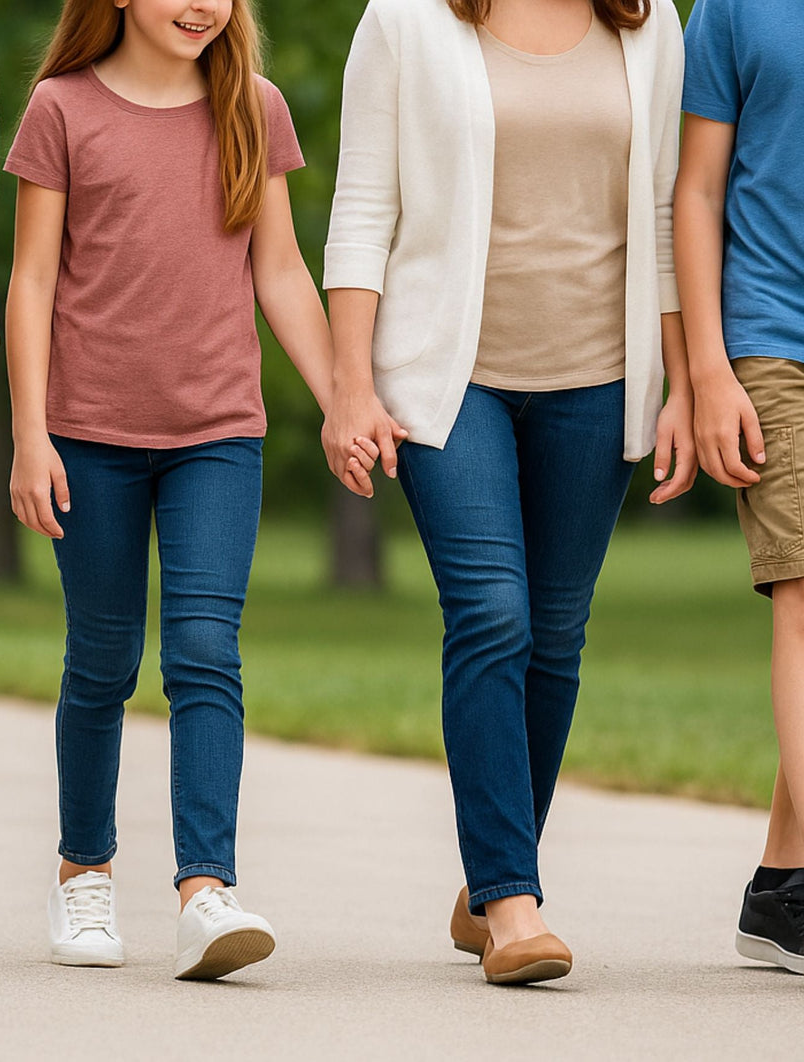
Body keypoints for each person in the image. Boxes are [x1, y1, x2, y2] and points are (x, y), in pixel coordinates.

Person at [322, 0, 694, 985]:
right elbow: (363, 205)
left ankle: (493, 873)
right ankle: (516, 905)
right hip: (451, 381)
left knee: (557, 632)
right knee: (492, 615)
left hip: (603, 379)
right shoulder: (404, 20)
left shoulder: (649, 24)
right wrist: (348, 385)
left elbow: (663, 213)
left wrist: (684, 385)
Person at [3, 0, 334, 980]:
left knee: (202, 649)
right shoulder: (59, 111)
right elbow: (31, 282)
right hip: (87, 435)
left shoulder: (253, 108)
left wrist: (339, 399)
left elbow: (279, 271)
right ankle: (84, 875)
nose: (203, 4)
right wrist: (29, 434)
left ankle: (205, 891)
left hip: (217, 436)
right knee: (101, 663)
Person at [675, 0, 804, 976]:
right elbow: (699, 188)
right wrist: (709, 369)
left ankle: (781, 889)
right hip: (775, 340)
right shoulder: (734, 7)